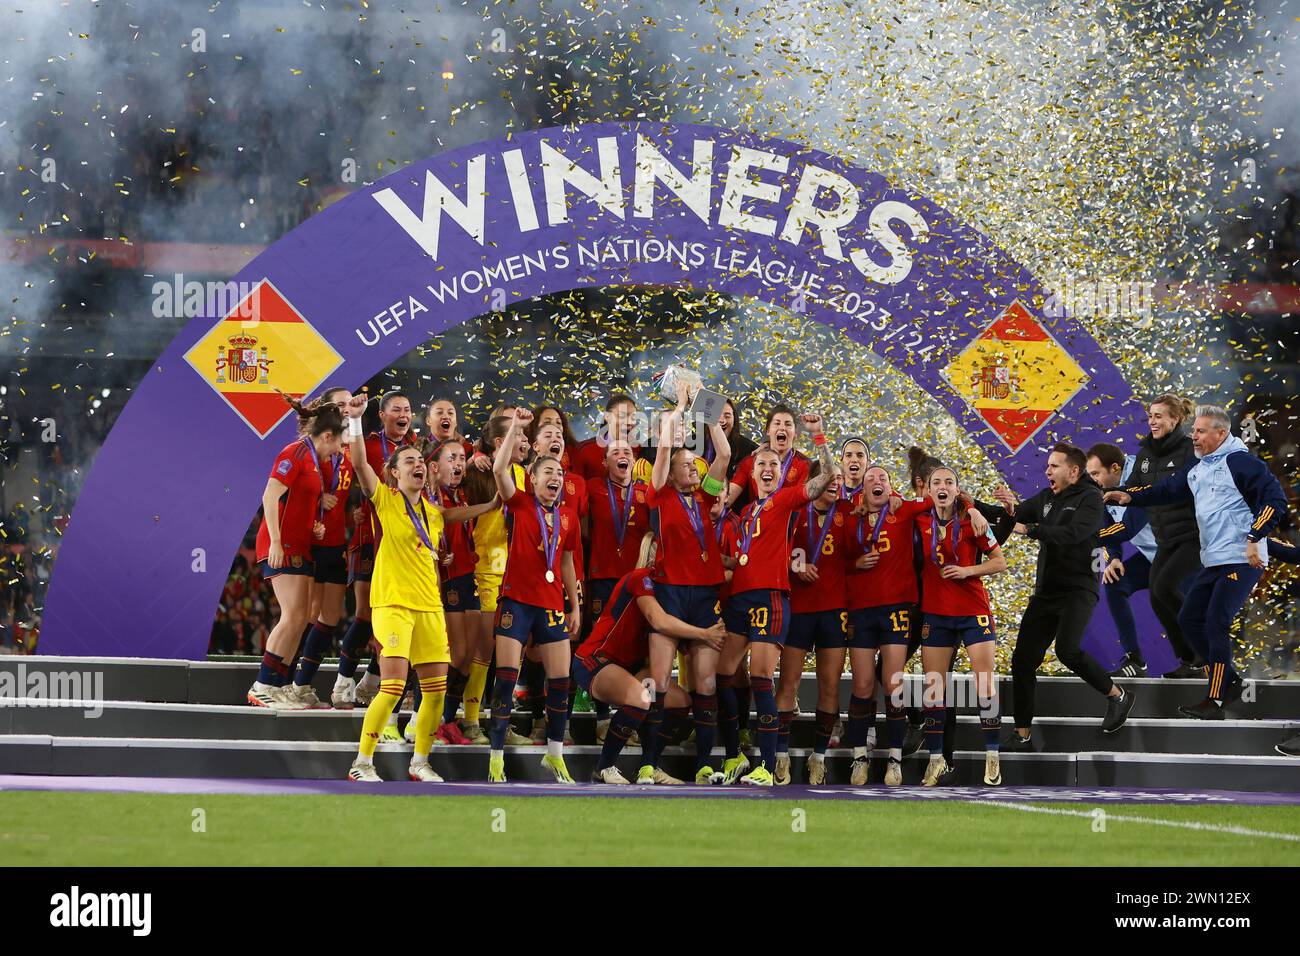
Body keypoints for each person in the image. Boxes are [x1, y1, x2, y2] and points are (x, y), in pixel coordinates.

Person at [340, 396, 498, 782]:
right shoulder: (386, 501)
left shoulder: (432, 512)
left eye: (418, 462)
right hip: (393, 604)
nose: (415, 466)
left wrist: (492, 503)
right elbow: (360, 463)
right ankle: (362, 763)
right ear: (393, 473)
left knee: (436, 692)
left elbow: (452, 515)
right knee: (393, 687)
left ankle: (420, 762)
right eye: (406, 461)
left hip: (429, 607)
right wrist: (358, 422)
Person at [1106, 406, 1288, 718]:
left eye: (1201, 432)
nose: (1195, 437)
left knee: (1215, 622)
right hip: (1214, 560)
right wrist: (1131, 497)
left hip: (1242, 560)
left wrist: (1255, 536)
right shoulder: (1198, 468)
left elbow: (1275, 499)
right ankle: (1229, 680)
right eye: (1194, 431)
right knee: (1190, 618)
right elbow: (1168, 490)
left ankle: (1215, 700)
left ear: (1221, 433)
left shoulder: (1239, 461)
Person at [717, 413, 839, 786]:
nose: (767, 468)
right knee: (722, 676)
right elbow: (735, 559)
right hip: (738, 600)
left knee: (759, 679)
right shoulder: (745, 514)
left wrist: (818, 436)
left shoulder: (786, 500)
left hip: (770, 599)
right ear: (752, 474)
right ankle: (735, 755)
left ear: (781, 473)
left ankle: (767, 767)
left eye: (773, 464)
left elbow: (823, 480)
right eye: (761, 464)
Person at [996, 443, 1134, 753]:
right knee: (1022, 661)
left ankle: (1118, 695)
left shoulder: (1091, 500)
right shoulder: (1046, 498)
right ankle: (1022, 735)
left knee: (1068, 651)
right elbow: (1013, 515)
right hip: (1047, 591)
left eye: (1054, 466)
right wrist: (973, 504)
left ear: (1073, 471)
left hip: (1078, 589)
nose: (1047, 471)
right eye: (1047, 466)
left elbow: (1073, 534)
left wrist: (1029, 529)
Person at [574, 533, 727, 784]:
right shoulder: (641, 578)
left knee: (679, 701)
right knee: (641, 697)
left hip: (630, 668)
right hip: (596, 660)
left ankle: (651, 764)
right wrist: (705, 634)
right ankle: (604, 766)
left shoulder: (674, 592)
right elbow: (659, 621)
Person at [487, 408, 583, 782]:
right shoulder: (521, 503)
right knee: (507, 677)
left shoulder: (569, 517)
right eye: (548, 472)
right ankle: (496, 755)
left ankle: (555, 754)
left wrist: (574, 604)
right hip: (515, 601)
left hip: (551, 604)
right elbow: (498, 471)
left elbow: (568, 562)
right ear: (532, 478)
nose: (555, 477)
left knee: (560, 679)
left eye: (559, 472)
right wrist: (515, 427)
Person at [646, 382, 733, 784]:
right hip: (669, 592)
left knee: (706, 683)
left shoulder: (706, 496)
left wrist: (709, 411)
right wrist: (680, 407)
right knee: (661, 682)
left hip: (705, 595)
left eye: (695, 464)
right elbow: (664, 448)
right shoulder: (660, 495)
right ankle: (649, 763)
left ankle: (703, 764)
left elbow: (726, 454)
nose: (693, 467)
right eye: (686, 464)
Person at [247, 394, 342, 709]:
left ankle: (279, 685)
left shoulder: (315, 460)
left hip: (299, 544)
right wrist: (275, 540)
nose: (339, 450)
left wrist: (314, 524)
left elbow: (299, 502)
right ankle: (262, 684)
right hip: (282, 546)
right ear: (327, 436)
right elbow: (270, 495)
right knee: (292, 616)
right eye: (338, 443)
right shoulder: (295, 452)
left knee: (301, 617)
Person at [915, 465, 1008, 786]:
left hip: (973, 611)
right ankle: (936, 759)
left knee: (984, 683)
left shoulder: (973, 521)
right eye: (936, 482)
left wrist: (967, 571)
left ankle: (993, 757)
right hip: (936, 614)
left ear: (957, 490)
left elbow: (1000, 562)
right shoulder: (920, 520)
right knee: (934, 687)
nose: (943, 486)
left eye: (949, 482)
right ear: (928, 490)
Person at [333, 391, 416, 710]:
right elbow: (348, 474)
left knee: (396, 618)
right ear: (382, 416)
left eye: (407, 409)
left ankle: (369, 683)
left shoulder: (415, 449)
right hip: (369, 538)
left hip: (404, 546)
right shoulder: (367, 443)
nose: (403, 414)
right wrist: (351, 510)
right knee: (366, 615)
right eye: (396, 409)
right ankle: (342, 683)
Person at [777, 463, 851, 784]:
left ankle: (818, 757)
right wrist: (795, 566)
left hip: (835, 612)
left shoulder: (848, 512)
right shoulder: (795, 512)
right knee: (788, 684)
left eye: (839, 481)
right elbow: (773, 548)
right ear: (815, 482)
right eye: (829, 479)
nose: (836, 485)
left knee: (830, 686)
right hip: (799, 609)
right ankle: (779, 755)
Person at [289, 387, 354, 708]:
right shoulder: (313, 449)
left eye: (350, 403)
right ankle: (284, 682)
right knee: (305, 615)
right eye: (341, 404)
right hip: (311, 542)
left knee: (330, 617)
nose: (347, 408)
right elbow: (294, 490)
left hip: (336, 541)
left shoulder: (349, 450)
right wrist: (318, 499)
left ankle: (302, 685)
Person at [1131, 395, 1204, 677]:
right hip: (1166, 538)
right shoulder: (1145, 454)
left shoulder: (1190, 451)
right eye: (1151, 416)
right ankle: (1189, 660)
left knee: (1164, 588)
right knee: (1156, 597)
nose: (1152, 421)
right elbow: (1134, 488)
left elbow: (1187, 488)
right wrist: (1104, 493)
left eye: (1159, 416)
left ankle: (1204, 645)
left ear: (1175, 420)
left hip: (1192, 535)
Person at [1087, 442, 1160, 676]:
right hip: (1153, 556)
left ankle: (1205, 665)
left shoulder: (1142, 477)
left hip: (1184, 554)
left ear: (1116, 468)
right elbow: (1107, 526)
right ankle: (1135, 660)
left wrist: (1081, 538)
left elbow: (1129, 528)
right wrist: (1115, 558)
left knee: (1188, 609)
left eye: (1096, 474)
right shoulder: (1101, 490)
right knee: (1116, 582)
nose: (1093, 480)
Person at [727, 404, 810, 508]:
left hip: (789, 522)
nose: (782, 428)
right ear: (768, 430)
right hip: (756, 522)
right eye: (777, 423)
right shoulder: (750, 462)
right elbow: (727, 497)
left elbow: (804, 503)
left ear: (795, 433)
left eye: (788, 424)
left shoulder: (805, 465)